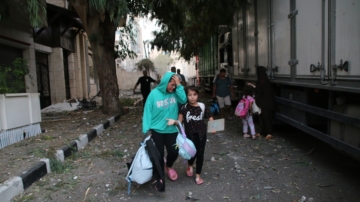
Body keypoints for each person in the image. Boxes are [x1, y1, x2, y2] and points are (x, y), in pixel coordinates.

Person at [142, 71, 187, 192]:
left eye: (175, 85)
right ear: (165, 82)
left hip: (171, 129)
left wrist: (179, 86)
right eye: (171, 84)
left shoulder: (175, 93)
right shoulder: (153, 94)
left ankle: (169, 166)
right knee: (158, 155)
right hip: (156, 130)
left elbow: (183, 100)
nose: (173, 87)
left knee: (174, 151)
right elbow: (147, 112)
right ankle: (159, 177)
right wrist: (147, 131)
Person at [167, 86, 215, 185]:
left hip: (202, 134)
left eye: (194, 95)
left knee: (200, 154)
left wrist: (213, 127)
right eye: (190, 95)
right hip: (189, 136)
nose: (192, 97)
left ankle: (198, 175)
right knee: (192, 153)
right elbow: (180, 121)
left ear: (197, 95)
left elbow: (210, 117)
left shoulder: (202, 106)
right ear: (186, 96)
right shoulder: (184, 108)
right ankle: (190, 165)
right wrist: (174, 122)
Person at [248, 66, 275, 140]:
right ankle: (264, 132)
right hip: (267, 102)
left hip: (265, 103)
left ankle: (269, 133)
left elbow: (258, 91)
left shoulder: (261, 81)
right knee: (265, 117)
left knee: (266, 118)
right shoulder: (265, 80)